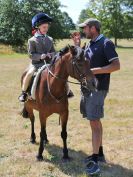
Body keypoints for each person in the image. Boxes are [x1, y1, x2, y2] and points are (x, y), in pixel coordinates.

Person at [71, 18, 120, 175]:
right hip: (88, 87)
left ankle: (95, 160)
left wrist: (95, 71)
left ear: (93, 28)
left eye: (85, 28)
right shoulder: (91, 44)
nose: (83, 31)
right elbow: (83, 61)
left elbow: (116, 65)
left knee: (94, 121)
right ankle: (99, 154)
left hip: (98, 88)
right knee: (94, 122)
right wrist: (77, 45)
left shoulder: (106, 43)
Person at [19, 12, 74, 102]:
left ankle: (67, 91)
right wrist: (41, 56)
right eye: (44, 27)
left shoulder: (50, 39)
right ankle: (24, 93)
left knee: (61, 73)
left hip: (49, 63)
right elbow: (31, 54)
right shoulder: (31, 40)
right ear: (38, 27)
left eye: (47, 27)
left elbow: (53, 52)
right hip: (36, 64)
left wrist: (50, 55)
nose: (46, 29)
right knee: (29, 74)